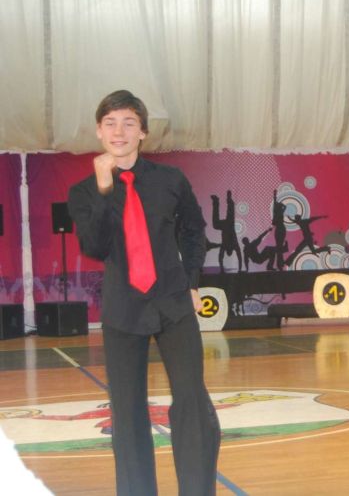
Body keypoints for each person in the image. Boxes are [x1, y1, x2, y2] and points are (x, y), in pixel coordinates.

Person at [68, 90, 220, 496]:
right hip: (123, 310)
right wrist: (105, 189)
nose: (119, 131)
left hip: (173, 303)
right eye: (111, 123)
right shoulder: (83, 192)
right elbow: (95, 246)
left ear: (143, 132)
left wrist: (191, 282)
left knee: (192, 402)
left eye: (129, 123)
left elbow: (194, 230)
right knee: (128, 412)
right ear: (99, 131)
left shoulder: (171, 180)